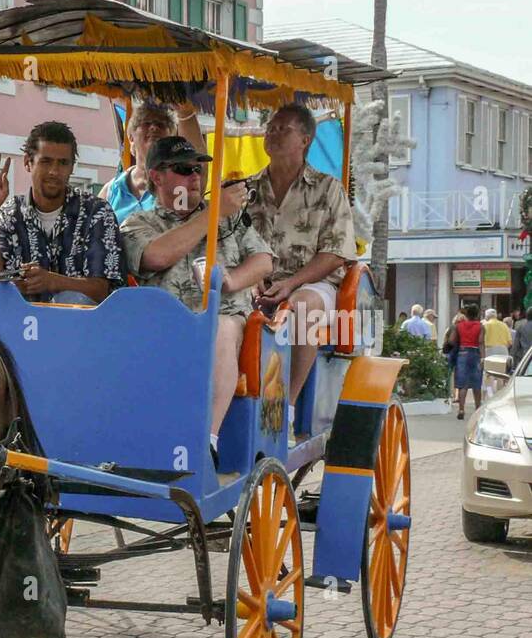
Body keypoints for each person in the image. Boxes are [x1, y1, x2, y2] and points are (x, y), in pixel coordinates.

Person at [120, 136, 272, 458]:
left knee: (223, 328)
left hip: (227, 321)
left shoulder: (230, 219)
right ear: (157, 177)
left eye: (198, 170)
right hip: (167, 329)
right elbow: (156, 256)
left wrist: (231, 280)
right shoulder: (138, 223)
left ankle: (208, 439)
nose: (195, 177)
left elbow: (263, 260)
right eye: (184, 169)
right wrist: (213, 214)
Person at [245, 104, 358, 436]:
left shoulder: (328, 188)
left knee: (302, 307)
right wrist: (252, 281)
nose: (273, 133)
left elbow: (337, 252)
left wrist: (291, 284)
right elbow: (233, 245)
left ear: (305, 139)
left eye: (284, 129)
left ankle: (286, 407)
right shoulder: (247, 190)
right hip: (256, 281)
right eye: (270, 127)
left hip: (312, 283)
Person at [0, 120, 126, 305]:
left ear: (72, 167)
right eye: (46, 161)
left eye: (63, 163)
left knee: (71, 299)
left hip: (83, 329)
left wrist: (51, 281)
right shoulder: (10, 214)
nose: (54, 171)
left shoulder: (96, 212)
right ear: (28, 163)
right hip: (20, 327)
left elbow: (102, 290)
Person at [101, 101, 207, 223]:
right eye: (146, 123)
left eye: (161, 124)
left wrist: (185, 112)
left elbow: (199, 165)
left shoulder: (179, 181)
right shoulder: (111, 190)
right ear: (130, 137)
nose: (154, 127)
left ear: (171, 135)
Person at [453, 303, 485, 419]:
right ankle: (477, 409)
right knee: (476, 383)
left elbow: (452, 340)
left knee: (463, 384)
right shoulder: (480, 326)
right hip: (475, 354)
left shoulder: (459, 326)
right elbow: (481, 342)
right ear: (477, 314)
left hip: (462, 353)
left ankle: (461, 409)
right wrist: (483, 357)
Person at [482, 307, 513, 377]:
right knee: (503, 374)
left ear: (486, 316)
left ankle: (489, 387)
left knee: (489, 374)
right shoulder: (504, 325)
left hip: (489, 351)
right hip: (503, 350)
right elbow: (510, 342)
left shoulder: (484, 325)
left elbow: (481, 341)